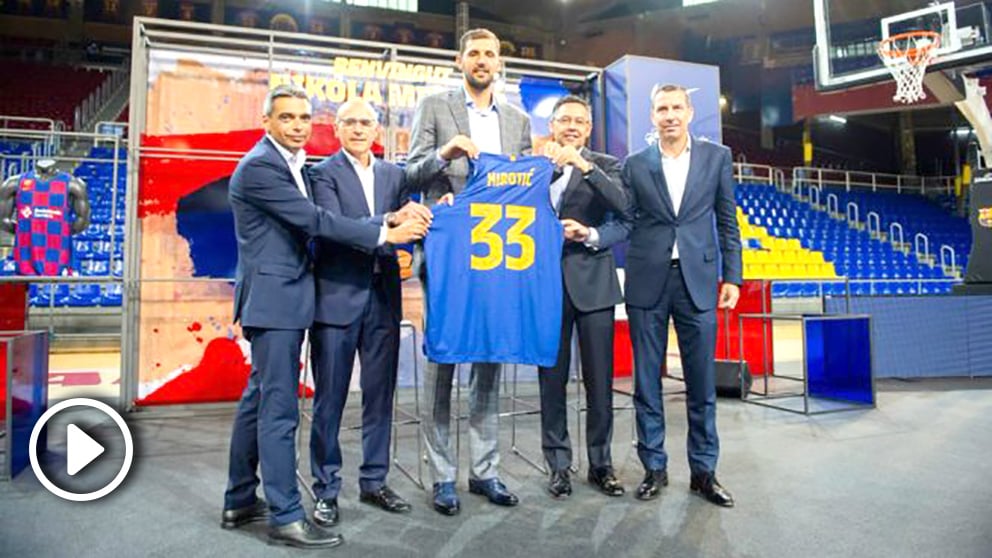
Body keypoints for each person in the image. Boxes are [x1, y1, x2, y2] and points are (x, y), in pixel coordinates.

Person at [221, 84, 427, 549]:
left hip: (288, 298)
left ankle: (238, 499)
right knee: (279, 411)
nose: (296, 126)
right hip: (279, 300)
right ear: (266, 121)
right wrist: (386, 233)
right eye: (287, 118)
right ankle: (287, 515)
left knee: (258, 400)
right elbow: (316, 222)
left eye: (302, 118)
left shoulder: (288, 164)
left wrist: (395, 222)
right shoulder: (262, 167)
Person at [405, 27, 532, 516]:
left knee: (488, 362)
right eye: (474, 53)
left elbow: (520, 186)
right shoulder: (435, 108)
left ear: (499, 63)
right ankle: (442, 475)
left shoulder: (517, 121)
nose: (482, 61)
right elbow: (411, 172)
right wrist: (445, 153)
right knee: (442, 361)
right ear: (460, 61)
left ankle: (485, 470)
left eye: (490, 54)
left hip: (497, 256)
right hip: (448, 254)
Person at [306, 99, 430, 527]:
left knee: (380, 398)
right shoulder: (320, 174)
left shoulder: (394, 175)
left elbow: (405, 233)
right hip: (336, 300)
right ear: (337, 129)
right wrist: (389, 223)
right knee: (330, 402)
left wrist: (413, 228)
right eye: (350, 122)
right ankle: (326, 489)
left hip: (382, 300)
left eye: (365, 122)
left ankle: (375, 480)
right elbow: (333, 226)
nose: (359, 129)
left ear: (377, 129)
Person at [621, 83, 742, 507]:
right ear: (652, 116)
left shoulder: (717, 157)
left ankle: (704, 472)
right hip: (647, 282)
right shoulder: (634, 165)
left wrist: (733, 278)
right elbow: (625, 220)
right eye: (661, 109)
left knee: (701, 384)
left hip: (698, 281)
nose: (670, 114)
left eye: (676, 107)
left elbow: (728, 221)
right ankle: (654, 468)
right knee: (647, 384)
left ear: (690, 112)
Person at [536, 95, 630, 499]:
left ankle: (601, 464)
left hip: (594, 284)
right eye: (564, 120)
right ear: (553, 126)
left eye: (579, 121)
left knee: (599, 382)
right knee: (551, 382)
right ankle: (558, 465)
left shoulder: (606, 165)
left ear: (589, 128)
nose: (572, 126)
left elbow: (624, 214)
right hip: (543, 287)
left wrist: (589, 233)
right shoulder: (534, 167)